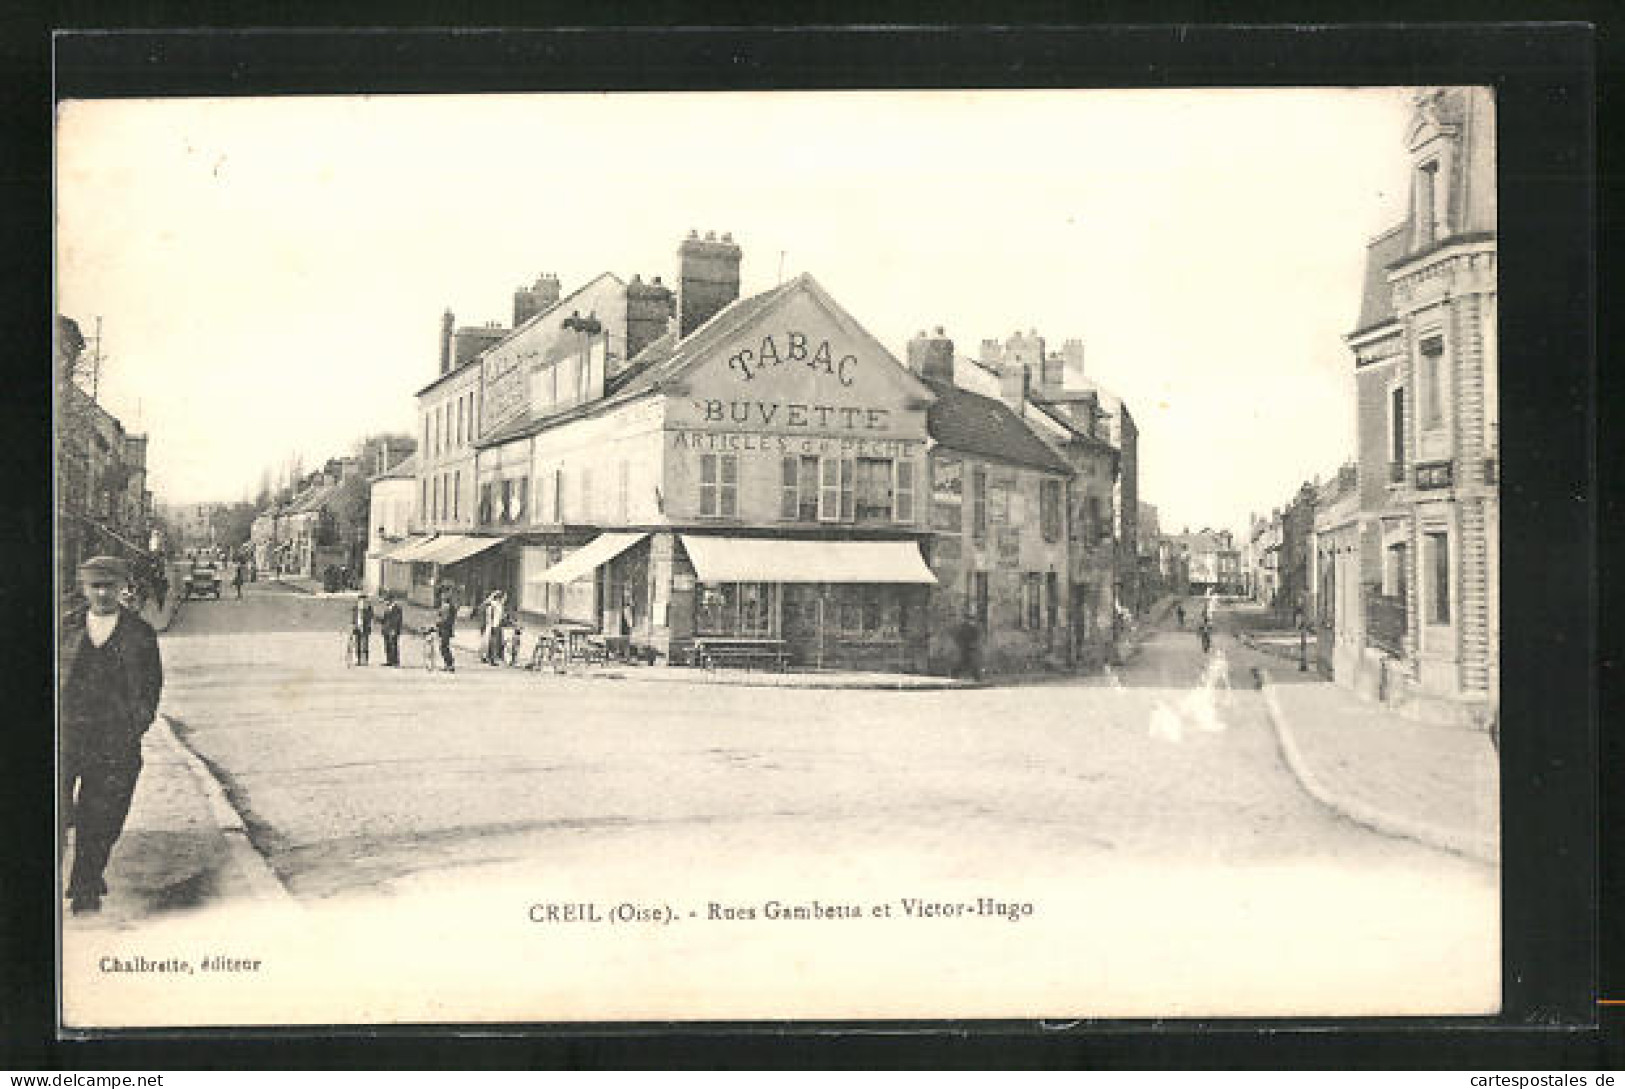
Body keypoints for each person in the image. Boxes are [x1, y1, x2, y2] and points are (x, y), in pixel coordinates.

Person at [59, 556, 164, 915]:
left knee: (103, 816)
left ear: (123, 587)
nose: (102, 593)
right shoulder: (65, 627)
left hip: (115, 739)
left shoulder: (140, 633)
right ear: (84, 588)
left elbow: (152, 686)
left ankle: (86, 884)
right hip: (66, 735)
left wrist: (137, 723)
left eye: (109, 586)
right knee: (56, 811)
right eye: (95, 586)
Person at [482, 591, 507, 665]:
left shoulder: (499, 605)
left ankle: (488, 657)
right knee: (493, 643)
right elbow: (485, 603)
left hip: (496, 625)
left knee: (492, 642)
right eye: (504, 598)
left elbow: (500, 616)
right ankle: (492, 659)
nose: (504, 600)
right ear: (500, 598)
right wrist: (492, 595)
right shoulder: (494, 603)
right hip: (493, 625)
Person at [378, 593, 403, 667]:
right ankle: (389, 660)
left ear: (391, 600)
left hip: (393, 630)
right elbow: (385, 619)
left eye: (387, 600)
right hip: (386, 629)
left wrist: (394, 630)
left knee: (394, 645)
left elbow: (397, 620)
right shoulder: (387, 608)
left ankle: (395, 662)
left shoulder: (397, 608)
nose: (386, 602)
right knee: (387, 645)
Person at [435, 590, 457, 672]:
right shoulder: (448, 607)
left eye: (443, 597)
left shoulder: (447, 607)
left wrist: (438, 623)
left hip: (445, 629)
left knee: (443, 647)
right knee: (444, 646)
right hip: (445, 629)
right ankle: (448, 664)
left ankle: (450, 664)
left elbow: (445, 619)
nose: (441, 598)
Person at [351, 593, 374, 665]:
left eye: (364, 600)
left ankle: (365, 660)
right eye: (361, 600)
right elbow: (353, 618)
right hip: (357, 628)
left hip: (365, 628)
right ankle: (358, 660)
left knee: (365, 644)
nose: (362, 601)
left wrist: (370, 626)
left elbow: (371, 619)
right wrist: (353, 625)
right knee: (357, 645)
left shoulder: (368, 608)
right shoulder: (355, 608)